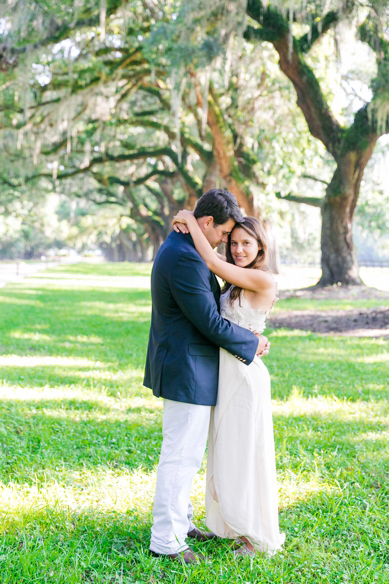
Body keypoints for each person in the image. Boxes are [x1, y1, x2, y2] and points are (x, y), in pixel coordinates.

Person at [143, 189, 269, 564]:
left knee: (188, 455)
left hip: (193, 368)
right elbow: (210, 322)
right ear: (209, 223)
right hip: (187, 369)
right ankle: (165, 540)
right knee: (180, 456)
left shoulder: (185, 247)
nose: (224, 243)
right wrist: (253, 340)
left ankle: (179, 523)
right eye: (224, 234)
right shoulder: (183, 258)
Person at [172, 210, 285, 557]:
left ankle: (254, 534)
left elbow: (212, 260)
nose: (237, 249)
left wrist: (190, 221)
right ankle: (234, 525)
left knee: (245, 455)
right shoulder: (237, 279)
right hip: (225, 375)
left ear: (260, 246)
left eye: (246, 243)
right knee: (226, 454)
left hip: (245, 376)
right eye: (233, 242)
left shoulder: (264, 280)